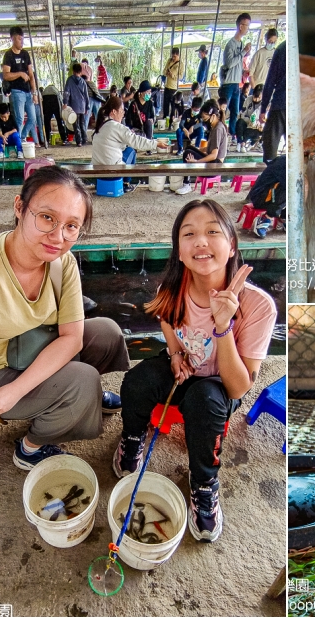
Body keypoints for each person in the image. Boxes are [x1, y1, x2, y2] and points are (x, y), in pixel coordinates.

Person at [0, 166, 129, 469]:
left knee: (106, 332)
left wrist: (17, 390)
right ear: (20, 208)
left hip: (27, 347)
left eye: (72, 226)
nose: (58, 237)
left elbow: (72, 337)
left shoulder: (62, 262)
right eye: (47, 217)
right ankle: (31, 448)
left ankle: (68, 396)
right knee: (83, 382)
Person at [114, 198, 276, 543]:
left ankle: (203, 483)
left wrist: (222, 326)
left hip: (220, 385)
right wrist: (174, 354)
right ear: (180, 251)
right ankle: (132, 438)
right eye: (189, 234)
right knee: (137, 381)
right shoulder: (170, 289)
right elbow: (169, 324)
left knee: (207, 401)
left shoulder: (258, 305)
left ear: (231, 246)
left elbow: (237, 389)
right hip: (184, 369)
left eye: (213, 232)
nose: (201, 241)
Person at [91, 95, 169, 189]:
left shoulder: (100, 126)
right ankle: (126, 184)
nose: (123, 114)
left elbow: (113, 146)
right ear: (114, 112)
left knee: (125, 149)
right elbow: (137, 141)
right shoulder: (117, 127)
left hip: (97, 174)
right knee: (131, 150)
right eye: (121, 111)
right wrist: (156, 143)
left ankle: (111, 185)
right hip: (112, 174)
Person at [175, 101, 228, 194]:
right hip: (214, 164)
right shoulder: (215, 126)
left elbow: (214, 155)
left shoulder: (218, 129)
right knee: (189, 148)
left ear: (213, 116)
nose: (203, 120)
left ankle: (186, 184)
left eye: (204, 118)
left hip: (215, 167)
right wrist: (198, 150)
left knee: (187, 153)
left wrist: (196, 161)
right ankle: (186, 183)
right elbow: (209, 149)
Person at [2, 26, 41, 146]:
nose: (21, 42)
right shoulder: (8, 55)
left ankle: (22, 137)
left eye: (22, 39)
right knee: (19, 119)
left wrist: (34, 93)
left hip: (28, 91)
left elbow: (31, 75)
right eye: (19, 39)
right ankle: (18, 144)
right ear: (13, 39)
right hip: (17, 91)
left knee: (32, 118)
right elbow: (6, 75)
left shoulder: (25, 54)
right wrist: (19, 74)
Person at [220, 13, 252, 143]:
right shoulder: (231, 45)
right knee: (223, 110)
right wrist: (244, 52)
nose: (248, 28)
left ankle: (232, 135)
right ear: (240, 26)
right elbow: (229, 63)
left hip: (236, 84)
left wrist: (243, 71)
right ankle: (220, 133)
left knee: (234, 112)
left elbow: (237, 63)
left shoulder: (240, 43)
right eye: (247, 25)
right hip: (228, 84)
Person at [259, 41, 286, 163]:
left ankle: (274, 176)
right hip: (304, 105)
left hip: (281, 104)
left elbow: (270, 82)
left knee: (270, 149)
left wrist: (263, 108)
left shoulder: (282, 48)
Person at [63, 62, 91, 147]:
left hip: (74, 106)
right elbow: (86, 95)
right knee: (82, 123)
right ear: (81, 71)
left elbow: (67, 92)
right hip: (82, 106)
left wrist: (65, 102)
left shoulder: (70, 80)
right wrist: (87, 107)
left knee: (75, 124)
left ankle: (79, 141)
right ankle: (84, 139)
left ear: (73, 71)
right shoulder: (83, 82)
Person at [250, 28, 279, 96]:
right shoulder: (259, 53)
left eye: (274, 42)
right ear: (266, 39)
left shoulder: (277, 54)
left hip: (269, 88)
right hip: (257, 87)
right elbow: (250, 74)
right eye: (270, 41)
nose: (272, 43)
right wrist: (255, 89)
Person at [162, 47, 183, 130]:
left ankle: (172, 122)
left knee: (173, 107)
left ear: (178, 55)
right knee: (165, 105)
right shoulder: (169, 61)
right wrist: (167, 73)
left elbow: (181, 76)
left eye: (175, 56)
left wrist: (173, 76)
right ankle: (165, 120)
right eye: (172, 56)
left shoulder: (180, 64)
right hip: (167, 86)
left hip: (174, 88)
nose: (173, 58)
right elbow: (164, 71)